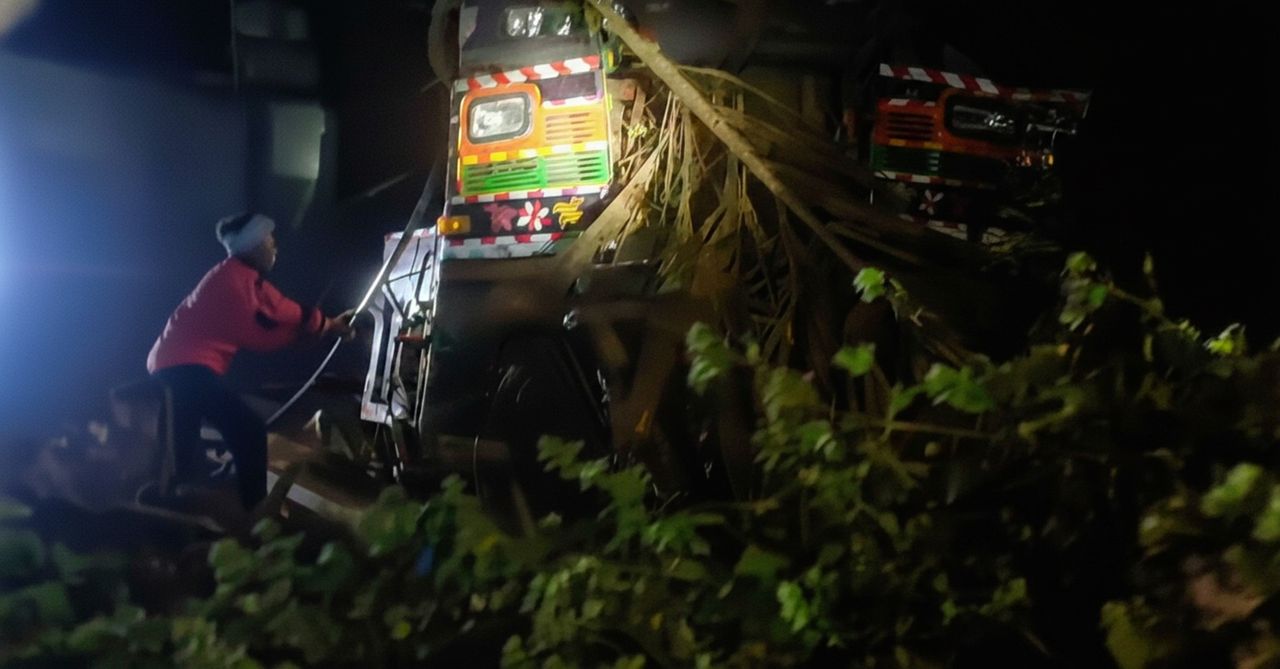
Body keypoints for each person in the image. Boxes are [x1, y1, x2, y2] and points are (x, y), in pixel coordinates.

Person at [146, 212, 352, 510]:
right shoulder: (237, 281)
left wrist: (319, 329)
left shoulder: (234, 275)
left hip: (178, 366)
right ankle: (256, 512)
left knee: (183, 445)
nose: (275, 247)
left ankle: (170, 501)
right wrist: (327, 327)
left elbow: (266, 325)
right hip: (185, 367)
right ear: (252, 245)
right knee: (248, 432)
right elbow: (272, 318)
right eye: (269, 240)